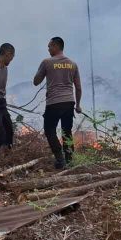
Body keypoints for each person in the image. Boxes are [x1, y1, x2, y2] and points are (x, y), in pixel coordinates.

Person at [33, 37, 82, 169]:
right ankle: (70, 160)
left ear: (56, 46)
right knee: (67, 132)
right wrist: (78, 105)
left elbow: (36, 81)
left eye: (49, 46)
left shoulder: (47, 62)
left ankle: (60, 160)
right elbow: (78, 87)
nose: (48, 49)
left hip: (54, 103)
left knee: (49, 130)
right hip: (69, 102)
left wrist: (43, 71)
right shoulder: (73, 64)